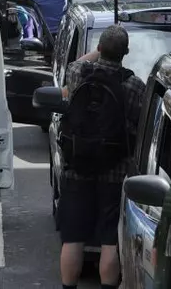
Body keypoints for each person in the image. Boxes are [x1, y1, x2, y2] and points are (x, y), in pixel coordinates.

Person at [58, 26, 145, 289]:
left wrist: (98, 52)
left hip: (77, 168)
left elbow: (75, 63)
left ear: (99, 48)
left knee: (73, 238)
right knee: (110, 240)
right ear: (126, 52)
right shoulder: (134, 85)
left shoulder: (78, 74)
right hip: (114, 172)